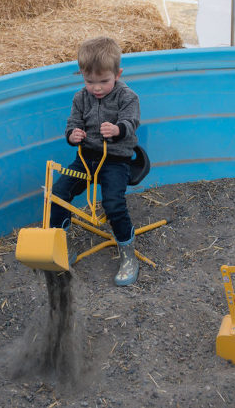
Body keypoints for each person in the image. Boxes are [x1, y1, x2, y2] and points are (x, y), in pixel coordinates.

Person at [49, 36, 141, 286]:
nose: (97, 88)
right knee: (57, 193)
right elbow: (72, 124)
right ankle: (60, 249)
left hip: (115, 160)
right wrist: (72, 135)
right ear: (82, 75)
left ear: (118, 74)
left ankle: (128, 255)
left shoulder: (127, 96)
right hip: (87, 158)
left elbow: (131, 123)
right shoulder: (80, 98)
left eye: (104, 81)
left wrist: (118, 129)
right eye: (90, 81)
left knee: (113, 203)